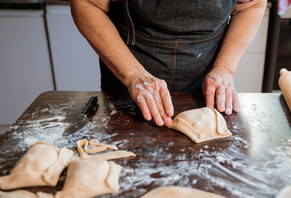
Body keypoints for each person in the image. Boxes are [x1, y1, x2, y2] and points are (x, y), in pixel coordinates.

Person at [70, 0, 267, 127]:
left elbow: (251, 5)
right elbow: (87, 4)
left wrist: (225, 68)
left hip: (206, 88)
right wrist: (133, 75)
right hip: (129, 87)